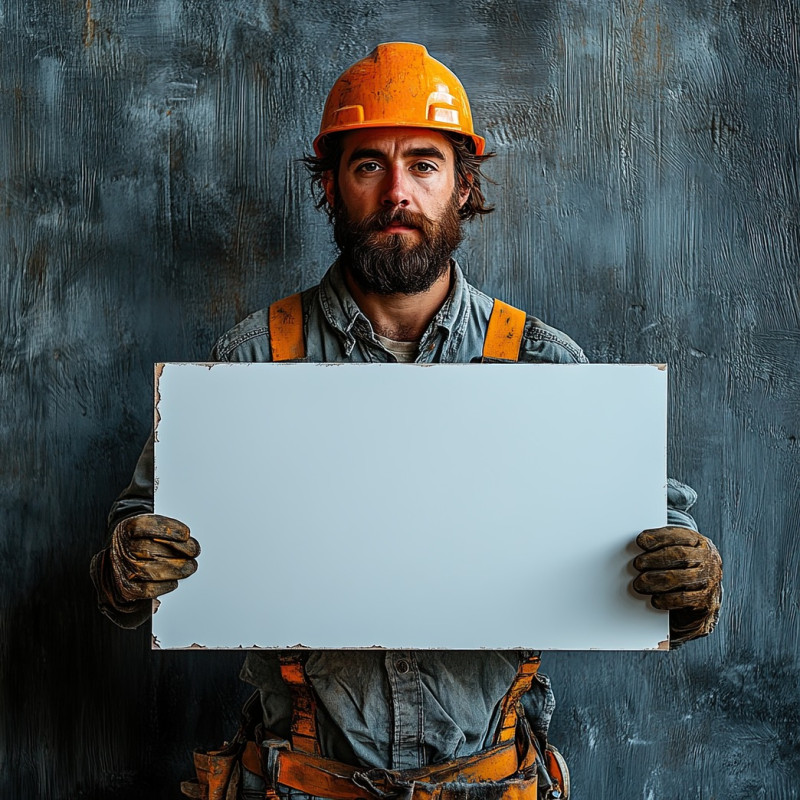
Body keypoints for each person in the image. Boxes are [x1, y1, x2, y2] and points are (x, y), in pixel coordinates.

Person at [91, 43, 722, 800]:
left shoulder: (541, 366)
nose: (398, 192)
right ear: (331, 187)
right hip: (302, 785)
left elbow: (651, 543)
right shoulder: (254, 358)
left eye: (424, 164)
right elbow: (141, 539)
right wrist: (127, 567)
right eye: (368, 166)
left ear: (462, 187)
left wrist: (690, 582)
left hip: (495, 784)